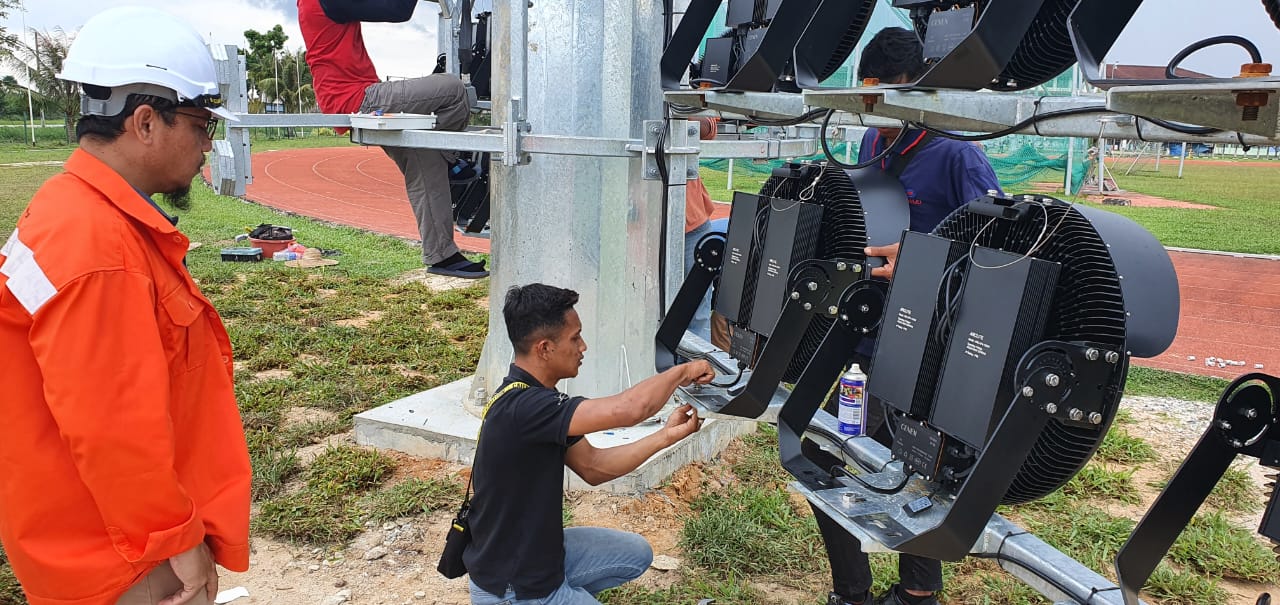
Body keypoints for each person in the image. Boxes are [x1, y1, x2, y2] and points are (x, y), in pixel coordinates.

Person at [0, 7, 252, 605]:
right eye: (200, 123)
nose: (207, 144)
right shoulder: (99, 246)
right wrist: (177, 541)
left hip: (88, 534)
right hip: (121, 557)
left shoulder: (67, 208)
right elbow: (111, 428)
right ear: (145, 122)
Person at [809, 27, 1003, 605]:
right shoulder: (875, 142)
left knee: (916, 465)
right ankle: (854, 592)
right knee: (826, 451)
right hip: (871, 335)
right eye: (868, 96)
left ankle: (916, 593)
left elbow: (998, 249)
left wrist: (919, 261)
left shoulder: (958, 155)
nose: (878, 112)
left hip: (930, 346)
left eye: (888, 95)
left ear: (914, 87)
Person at [464, 283, 716, 604]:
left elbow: (594, 467)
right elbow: (630, 409)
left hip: (535, 557)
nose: (583, 347)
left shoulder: (533, 397)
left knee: (635, 553)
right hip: (517, 587)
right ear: (545, 348)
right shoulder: (526, 409)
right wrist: (684, 371)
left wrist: (665, 436)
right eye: (575, 338)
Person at [298, 0, 488, 278]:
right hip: (357, 98)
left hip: (350, 96)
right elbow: (398, 10)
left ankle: (442, 255)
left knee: (425, 159)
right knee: (453, 90)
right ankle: (450, 162)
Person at [684, 116, 719, 341]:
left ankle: (695, 362)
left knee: (698, 309)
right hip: (637, 224)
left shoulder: (681, 100)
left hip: (692, 223)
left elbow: (709, 127)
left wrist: (677, 116)